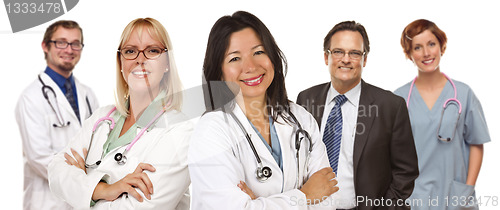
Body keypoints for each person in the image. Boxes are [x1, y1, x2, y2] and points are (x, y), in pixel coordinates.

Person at [188, 11, 338, 209]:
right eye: (234, 59)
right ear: (219, 72)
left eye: (258, 52)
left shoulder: (301, 119)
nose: (250, 66)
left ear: (273, 57)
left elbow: (328, 197)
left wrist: (259, 203)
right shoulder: (211, 131)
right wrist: (305, 196)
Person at [47, 17, 191, 209]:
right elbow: (56, 171)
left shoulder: (181, 132)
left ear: (167, 63)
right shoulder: (101, 118)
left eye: (152, 51)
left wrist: (80, 187)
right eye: (130, 51)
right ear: (121, 62)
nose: (140, 59)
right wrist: (103, 190)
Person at [296, 21, 419, 209]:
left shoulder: (390, 105)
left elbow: (406, 171)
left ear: (365, 59)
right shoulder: (306, 99)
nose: (346, 59)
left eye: (354, 53)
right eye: (338, 51)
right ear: (326, 57)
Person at [394, 19, 490, 210]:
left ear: (441, 46)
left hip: (455, 196)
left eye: (431, 44)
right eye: (417, 47)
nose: (427, 53)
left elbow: (476, 143)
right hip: (414, 197)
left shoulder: (463, 93)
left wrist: (467, 189)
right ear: (409, 54)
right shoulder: (399, 98)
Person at [15, 20, 99, 210]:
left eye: (75, 43)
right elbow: (39, 157)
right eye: (61, 42)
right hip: (48, 202)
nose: (69, 50)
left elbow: (100, 143)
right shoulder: (31, 98)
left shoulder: (87, 95)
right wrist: (84, 180)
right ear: (45, 46)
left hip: (85, 200)